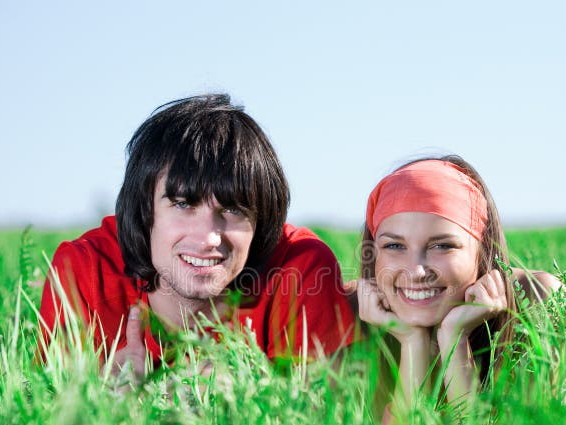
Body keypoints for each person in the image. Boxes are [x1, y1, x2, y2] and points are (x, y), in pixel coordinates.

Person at [39, 94, 355, 377]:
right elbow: (46, 423)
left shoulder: (300, 268)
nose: (208, 239)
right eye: (183, 204)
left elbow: (326, 421)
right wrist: (115, 409)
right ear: (143, 209)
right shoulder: (85, 271)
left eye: (233, 210)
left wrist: (244, 403)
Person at [356, 155, 559, 425]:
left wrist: (455, 338)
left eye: (442, 246)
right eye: (394, 246)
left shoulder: (536, 300)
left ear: (482, 250)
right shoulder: (351, 313)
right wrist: (412, 343)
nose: (416, 271)